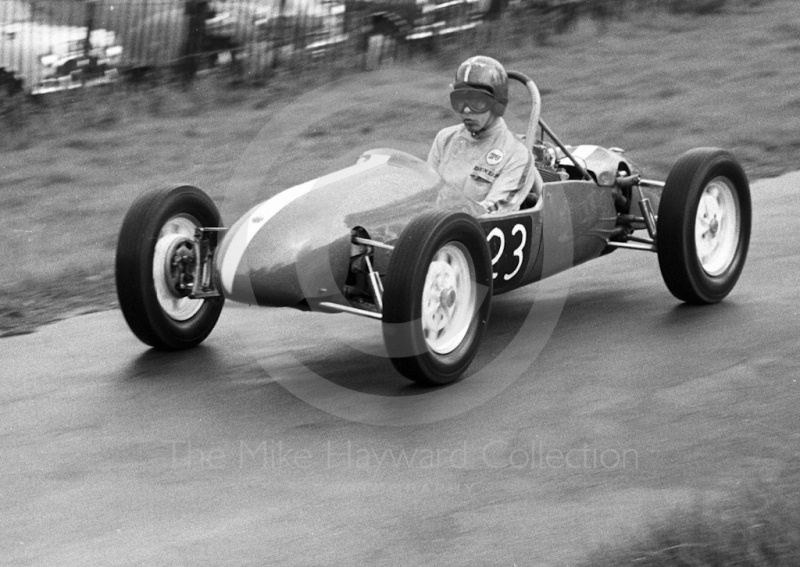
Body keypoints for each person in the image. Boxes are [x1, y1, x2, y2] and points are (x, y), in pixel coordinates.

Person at [428, 55, 542, 214]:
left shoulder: (517, 155)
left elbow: (493, 214)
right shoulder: (444, 139)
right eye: (460, 101)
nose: (466, 110)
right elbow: (425, 195)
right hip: (437, 230)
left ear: (497, 105)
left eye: (477, 101)